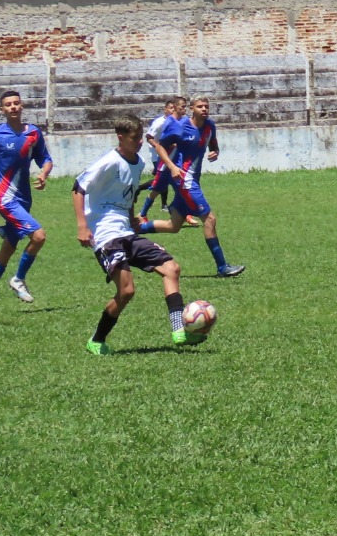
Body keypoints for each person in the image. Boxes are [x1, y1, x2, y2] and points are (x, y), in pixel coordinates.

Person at [73, 116, 202, 355]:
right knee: (127, 291)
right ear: (121, 137)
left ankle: (178, 330)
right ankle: (97, 340)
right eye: (135, 138)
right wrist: (82, 226)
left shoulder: (138, 163)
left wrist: (132, 217)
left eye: (141, 137)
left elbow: (129, 193)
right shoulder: (108, 162)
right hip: (106, 236)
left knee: (171, 268)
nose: (140, 142)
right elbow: (78, 188)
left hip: (126, 232)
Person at [138, 96, 245, 277]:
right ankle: (222, 267)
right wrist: (172, 167)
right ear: (191, 109)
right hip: (184, 180)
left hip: (193, 179)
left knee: (174, 226)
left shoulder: (210, 126)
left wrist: (215, 152)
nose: (204, 109)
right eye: (200, 106)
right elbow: (160, 147)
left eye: (206, 106)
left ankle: (131, 229)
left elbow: (213, 144)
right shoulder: (180, 127)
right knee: (209, 219)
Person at [0, 90, 53, 315]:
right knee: (39, 236)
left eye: (16, 103)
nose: (13, 107)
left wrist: (44, 173)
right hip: (4, 197)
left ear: (22, 106)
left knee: (9, 246)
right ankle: (18, 279)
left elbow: (46, 159)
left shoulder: (33, 133)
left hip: (23, 197)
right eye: (8, 104)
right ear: (2, 109)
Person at [137, 96, 184, 223]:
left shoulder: (183, 121)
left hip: (176, 159)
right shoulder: (163, 123)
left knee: (182, 186)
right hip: (163, 160)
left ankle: (183, 212)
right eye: (182, 106)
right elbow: (152, 138)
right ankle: (143, 213)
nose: (184, 109)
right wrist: (167, 146)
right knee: (157, 188)